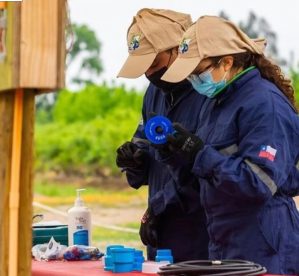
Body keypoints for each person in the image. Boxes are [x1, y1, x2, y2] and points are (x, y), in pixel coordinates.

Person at [161, 15, 299, 274]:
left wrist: (200, 154)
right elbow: (203, 178)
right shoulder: (216, 102)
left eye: (197, 72)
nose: (193, 80)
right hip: (223, 242)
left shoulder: (264, 104)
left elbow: (258, 183)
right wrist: (176, 155)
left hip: (264, 244)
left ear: (226, 62)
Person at [116, 9, 209, 262]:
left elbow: (209, 172)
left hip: (201, 233)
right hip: (160, 233)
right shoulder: (154, 93)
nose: (149, 74)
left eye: (154, 64)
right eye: (143, 68)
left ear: (178, 50)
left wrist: (159, 206)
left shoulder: (208, 93)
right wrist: (135, 162)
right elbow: (145, 150)